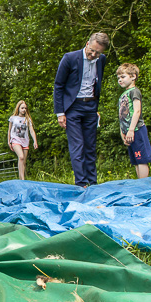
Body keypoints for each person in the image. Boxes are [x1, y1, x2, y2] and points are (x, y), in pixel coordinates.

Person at [54, 32, 109, 187]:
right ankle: (81, 183)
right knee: (77, 146)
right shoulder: (70, 58)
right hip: (73, 107)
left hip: (91, 107)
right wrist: (60, 113)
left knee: (90, 146)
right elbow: (59, 85)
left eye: (98, 52)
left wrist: (95, 106)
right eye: (92, 50)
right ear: (87, 44)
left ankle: (93, 182)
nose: (94, 55)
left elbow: (97, 83)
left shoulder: (101, 60)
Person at [117, 63, 151, 179]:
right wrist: (123, 132)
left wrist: (131, 130)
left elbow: (137, 111)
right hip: (128, 131)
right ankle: (140, 182)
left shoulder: (134, 91)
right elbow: (122, 115)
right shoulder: (124, 94)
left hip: (136, 130)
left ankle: (144, 184)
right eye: (118, 78)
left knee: (141, 159)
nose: (120, 80)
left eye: (123, 77)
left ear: (133, 76)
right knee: (136, 159)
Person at [7, 100, 38, 180]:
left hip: (25, 141)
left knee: (23, 161)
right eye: (22, 108)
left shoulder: (27, 119)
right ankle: (22, 179)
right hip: (15, 140)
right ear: (18, 108)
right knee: (21, 157)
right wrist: (9, 141)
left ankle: (21, 178)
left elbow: (31, 130)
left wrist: (35, 141)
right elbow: (9, 130)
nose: (24, 110)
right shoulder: (13, 118)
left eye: (25, 108)